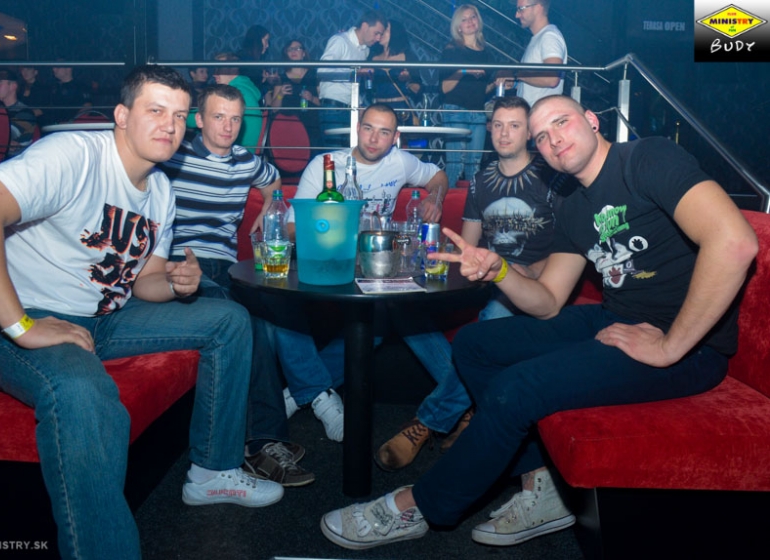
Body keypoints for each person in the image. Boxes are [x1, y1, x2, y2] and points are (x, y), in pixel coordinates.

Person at [319, 94, 758, 551]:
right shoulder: (573, 206)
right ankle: (539, 476)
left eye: (562, 122)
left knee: (517, 388)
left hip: (692, 346)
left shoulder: (646, 158)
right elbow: (548, 301)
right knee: (474, 344)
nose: (554, 140)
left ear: (591, 120)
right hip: (618, 318)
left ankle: (420, 506)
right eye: (542, 137)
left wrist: (670, 346)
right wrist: (500, 271)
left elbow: (734, 243)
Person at [0, 64, 284, 560]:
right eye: (155, 110)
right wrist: (21, 325)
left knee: (229, 319)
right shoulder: (74, 154)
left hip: (106, 318)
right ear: (122, 115)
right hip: (14, 322)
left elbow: (144, 282)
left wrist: (176, 282)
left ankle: (212, 472)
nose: (169, 125)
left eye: (179, 115)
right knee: (85, 390)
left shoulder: (160, 190)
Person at [374, 95, 577, 471]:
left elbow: (570, 249)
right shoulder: (481, 181)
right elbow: (467, 244)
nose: (504, 133)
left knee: (495, 315)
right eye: (498, 125)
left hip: (533, 284)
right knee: (402, 306)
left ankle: (428, 421)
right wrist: (430, 263)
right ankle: (469, 407)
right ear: (489, 129)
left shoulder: (553, 179)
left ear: (528, 133)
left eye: (514, 126)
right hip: (485, 279)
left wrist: (524, 271)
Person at [158, 82, 314, 488]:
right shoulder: (174, 155)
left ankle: (264, 440)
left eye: (235, 119)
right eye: (218, 117)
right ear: (199, 120)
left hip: (229, 268)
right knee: (245, 322)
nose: (227, 126)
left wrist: (271, 205)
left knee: (264, 317)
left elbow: (273, 180)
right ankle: (262, 443)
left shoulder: (246, 161)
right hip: (183, 265)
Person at [277, 103, 449, 443]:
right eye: (368, 128)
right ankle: (314, 392)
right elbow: (291, 228)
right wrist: (333, 229)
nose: (373, 138)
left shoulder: (400, 162)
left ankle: (304, 390)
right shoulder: (326, 165)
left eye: (384, 132)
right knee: (281, 302)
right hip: (329, 262)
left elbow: (438, 176)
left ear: (395, 137)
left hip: (376, 267)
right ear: (357, 128)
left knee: (384, 320)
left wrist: (437, 198)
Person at [439, 4, 499, 188]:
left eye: (473, 17)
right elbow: (444, 88)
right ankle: (444, 203)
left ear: (478, 20)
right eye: (464, 19)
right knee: (455, 165)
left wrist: (496, 84)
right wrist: (463, 71)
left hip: (478, 112)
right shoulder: (451, 50)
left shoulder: (487, 54)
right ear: (458, 26)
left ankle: (472, 204)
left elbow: (481, 90)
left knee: (474, 166)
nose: (470, 22)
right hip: (455, 110)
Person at [318, 10, 387, 148]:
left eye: (381, 34)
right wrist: (355, 72)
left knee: (349, 152)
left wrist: (360, 104)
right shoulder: (340, 41)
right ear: (365, 26)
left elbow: (354, 82)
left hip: (350, 108)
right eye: (377, 33)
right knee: (334, 152)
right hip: (333, 107)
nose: (379, 38)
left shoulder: (365, 50)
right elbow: (322, 71)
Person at [495, 0, 567, 107]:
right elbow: (537, 85)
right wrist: (514, 83)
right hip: (534, 111)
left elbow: (552, 78)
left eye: (521, 9)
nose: (517, 15)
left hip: (542, 113)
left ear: (538, 8)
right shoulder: (539, 37)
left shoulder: (549, 37)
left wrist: (516, 75)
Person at [266, 38, 321, 145]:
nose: (294, 51)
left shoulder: (314, 75)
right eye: (290, 49)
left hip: (312, 127)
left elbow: (323, 103)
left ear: (303, 53)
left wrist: (312, 98)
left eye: (297, 48)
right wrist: (280, 94)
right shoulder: (281, 78)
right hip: (289, 128)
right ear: (286, 54)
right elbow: (273, 109)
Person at [368, 20, 422, 124]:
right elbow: (367, 89)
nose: (381, 32)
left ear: (395, 33)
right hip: (379, 108)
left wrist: (408, 80)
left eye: (386, 29)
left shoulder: (407, 56)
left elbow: (418, 89)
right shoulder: (372, 57)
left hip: (401, 110)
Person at [212, 52, 263, 153]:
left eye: (219, 69)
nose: (214, 74)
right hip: (244, 150)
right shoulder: (245, 88)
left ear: (232, 70)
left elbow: (200, 117)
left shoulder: (235, 92)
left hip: (240, 153)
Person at [0, 68, 37, 158]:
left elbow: (5, 135)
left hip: (17, 161)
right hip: (0, 160)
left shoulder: (24, 112)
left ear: (13, 86)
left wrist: (2, 142)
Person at [237, 24, 276, 94]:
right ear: (257, 41)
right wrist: (263, 80)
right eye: (266, 40)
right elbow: (253, 91)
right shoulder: (245, 61)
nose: (267, 45)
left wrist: (264, 80)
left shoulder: (255, 60)